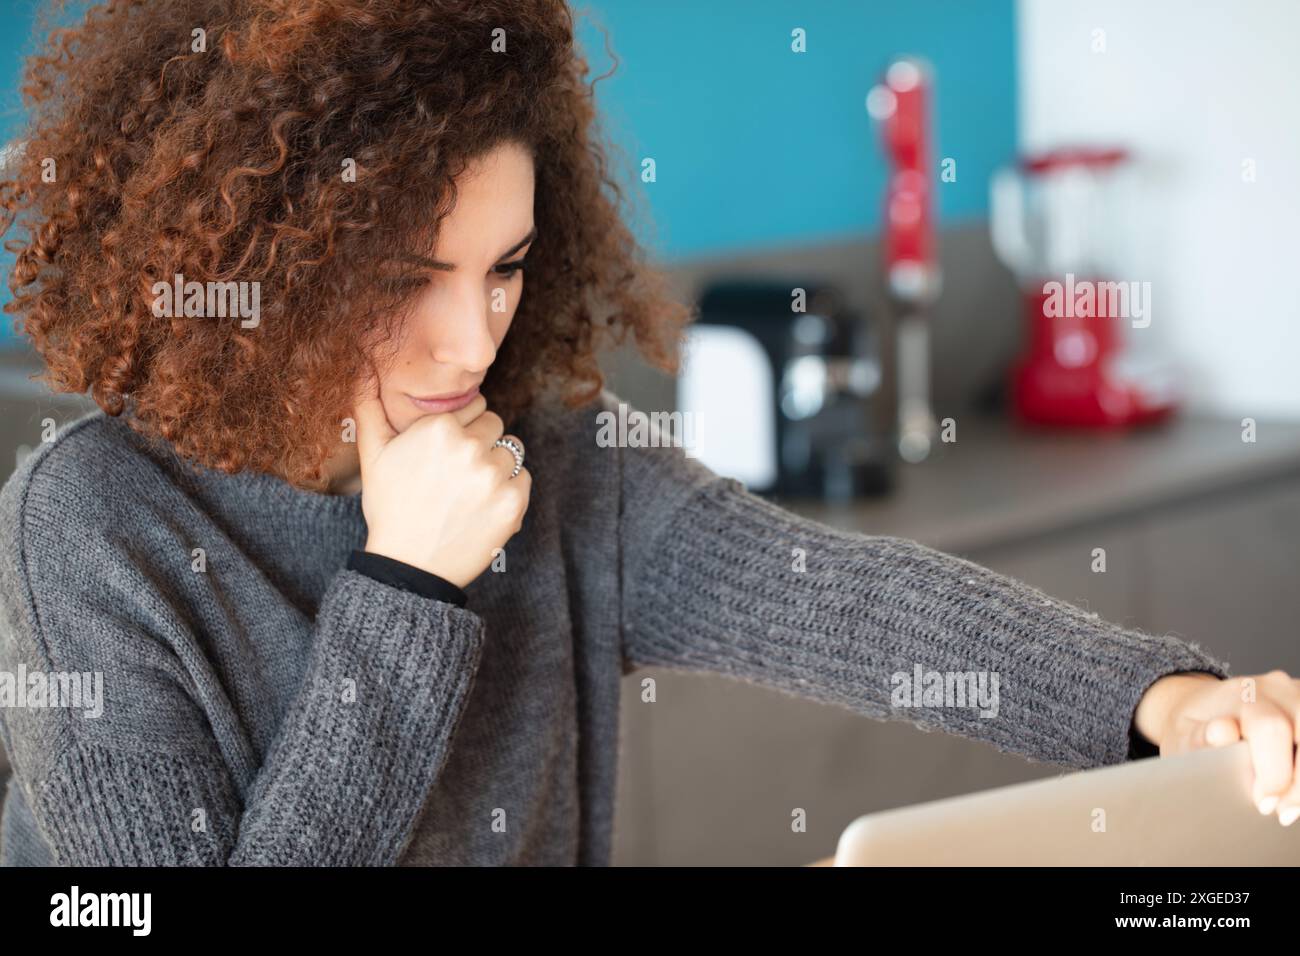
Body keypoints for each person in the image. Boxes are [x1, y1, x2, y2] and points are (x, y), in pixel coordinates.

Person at [0, 0, 1295, 866]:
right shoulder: (94, 528)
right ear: (257, 261)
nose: (473, 342)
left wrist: (1161, 703)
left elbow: (851, 607)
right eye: (405, 280)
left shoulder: (559, 457)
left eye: (504, 267)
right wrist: (406, 585)